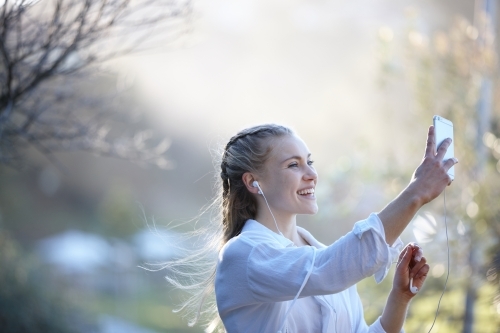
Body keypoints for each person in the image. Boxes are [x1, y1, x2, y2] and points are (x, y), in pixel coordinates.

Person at [170, 123, 457, 333]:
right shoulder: (243, 255)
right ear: (253, 182)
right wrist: (415, 193)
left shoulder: (321, 255)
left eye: (310, 162)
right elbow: (331, 269)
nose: (312, 175)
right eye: (294, 165)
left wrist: (400, 297)